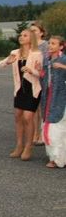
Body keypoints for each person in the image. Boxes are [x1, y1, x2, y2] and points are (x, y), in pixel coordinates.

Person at [0, 29, 43, 161]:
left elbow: (40, 74)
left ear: (31, 39)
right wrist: (8, 61)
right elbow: (0, 65)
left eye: (25, 35)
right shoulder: (15, 53)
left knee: (28, 117)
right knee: (18, 116)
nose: (21, 37)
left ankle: (28, 146)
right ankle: (19, 145)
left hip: (32, 89)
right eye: (21, 35)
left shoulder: (37, 54)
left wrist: (31, 70)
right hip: (19, 89)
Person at [40, 36, 66, 168]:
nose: (50, 45)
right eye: (49, 43)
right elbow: (43, 78)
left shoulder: (64, 59)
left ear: (61, 46)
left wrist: (63, 66)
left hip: (61, 99)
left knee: (57, 129)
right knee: (48, 127)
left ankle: (59, 159)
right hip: (48, 98)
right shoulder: (47, 60)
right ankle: (53, 157)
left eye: (54, 43)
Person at [30, 22, 48, 146]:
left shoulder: (46, 45)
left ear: (41, 32)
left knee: (43, 107)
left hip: (44, 78)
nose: (32, 33)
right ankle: (35, 132)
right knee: (34, 108)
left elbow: (48, 61)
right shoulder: (29, 45)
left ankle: (43, 133)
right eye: (31, 30)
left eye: (35, 30)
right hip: (32, 78)